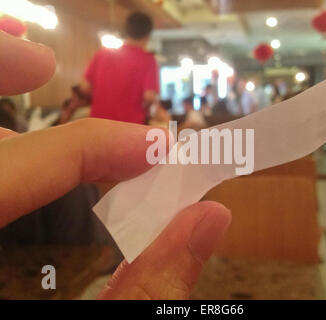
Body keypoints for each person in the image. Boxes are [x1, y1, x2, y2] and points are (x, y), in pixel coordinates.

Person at [0, 30, 231, 299]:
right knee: (99, 217)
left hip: (94, 143)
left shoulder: (101, 56)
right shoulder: (146, 60)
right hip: (131, 145)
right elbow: (147, 98)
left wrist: (70, 113)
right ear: (146, 35)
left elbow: (83, 91)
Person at [81, 12, 159, 124]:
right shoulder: (148, 60)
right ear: (147, 35)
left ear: (127, 31)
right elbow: (149, 96)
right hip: (129, 127)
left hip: (98, 125)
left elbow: (85, 87)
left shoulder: (102, 53)